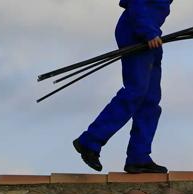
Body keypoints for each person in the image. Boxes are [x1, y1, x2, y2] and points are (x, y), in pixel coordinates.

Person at [73, 0, 173, 173]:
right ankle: (89, 141)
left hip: (151, 35)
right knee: (135, 92)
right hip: (137, 32)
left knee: (150, 100)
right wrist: (147, 32)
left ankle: (139, 157)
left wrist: (151, 32)